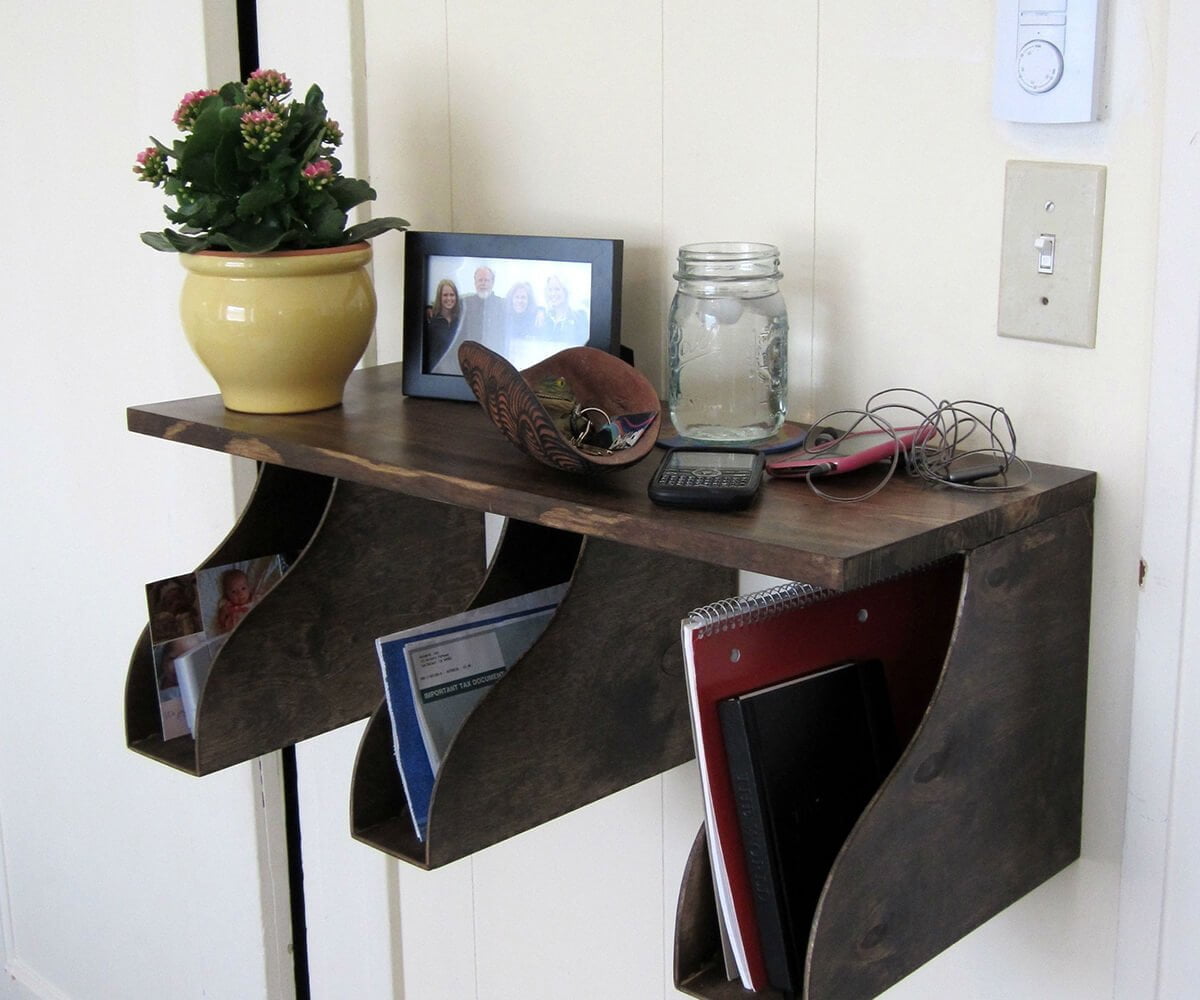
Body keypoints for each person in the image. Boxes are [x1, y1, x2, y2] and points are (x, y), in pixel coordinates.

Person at [458, 265, 507, 352]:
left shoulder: (502, 304)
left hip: (495, 356)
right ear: (475, 283)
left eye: (486, 280)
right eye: (480, 280)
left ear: (492, 283)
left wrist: (539, 312)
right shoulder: (465, 303)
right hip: (471, 356)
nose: (483, 283)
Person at [538, 274, 589, 345]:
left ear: (566, 291)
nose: (553, 294)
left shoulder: (579, 318)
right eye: (550, 290)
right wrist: (540, 310)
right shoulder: (542, 317)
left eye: (557, 289)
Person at [424, 278, 461, 371]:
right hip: (437, 370)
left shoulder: (460, 321)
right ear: (439, 297)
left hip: (456, 370)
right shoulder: (431, 321)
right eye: (445, 295)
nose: (449, 298)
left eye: (452, 295)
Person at [215, 568, 254, 634]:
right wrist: (223, 613)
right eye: (233, 591)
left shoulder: (254, 599)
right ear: (227, 594)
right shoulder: (227, 605)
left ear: (249, 588)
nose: (240, 594)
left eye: (243, 588)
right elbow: (221, 623)